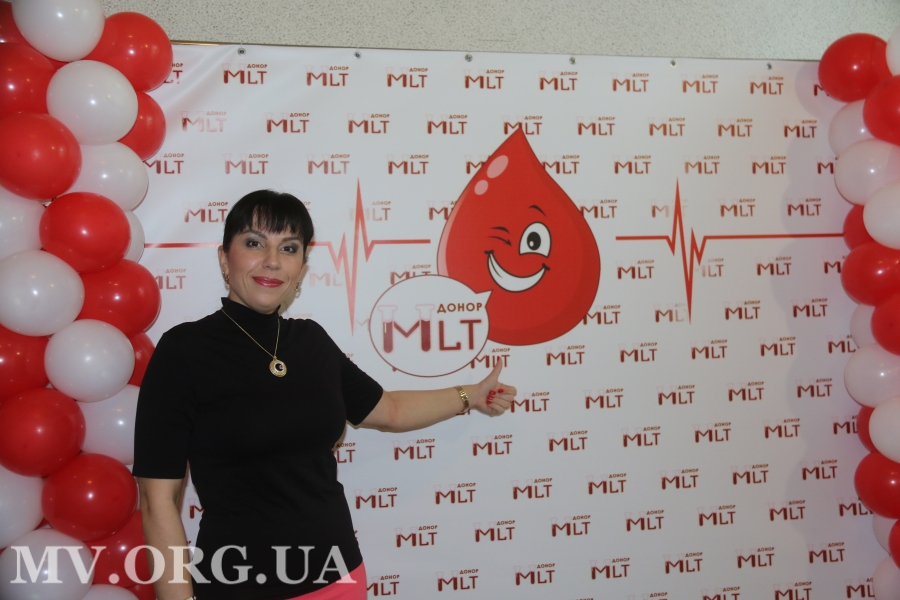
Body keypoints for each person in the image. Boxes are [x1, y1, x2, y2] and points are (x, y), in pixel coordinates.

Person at [132, 189, 515, 600]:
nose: (272, 261)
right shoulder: (184, 351)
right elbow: (157, 502)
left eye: (289, 248)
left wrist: (471, 394)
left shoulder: (311, 341)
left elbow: (390, 410)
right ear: (225, 259)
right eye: (254, 243)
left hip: (338, 578)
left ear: (301, 268)